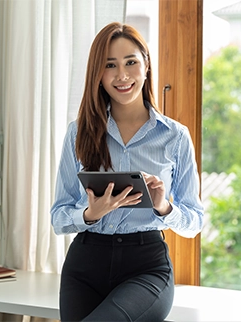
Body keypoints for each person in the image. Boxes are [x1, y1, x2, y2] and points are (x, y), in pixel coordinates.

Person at [50, 22, 204, 321]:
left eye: (131, 62)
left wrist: (163, 206)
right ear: (98, 74)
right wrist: (90, 214)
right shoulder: (78, 132)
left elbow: (194, 222)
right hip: (84, 263)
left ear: (146, 64)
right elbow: (58, 216)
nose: (122, 75)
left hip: (145, 265)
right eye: (110, 65)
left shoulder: (175, 136)